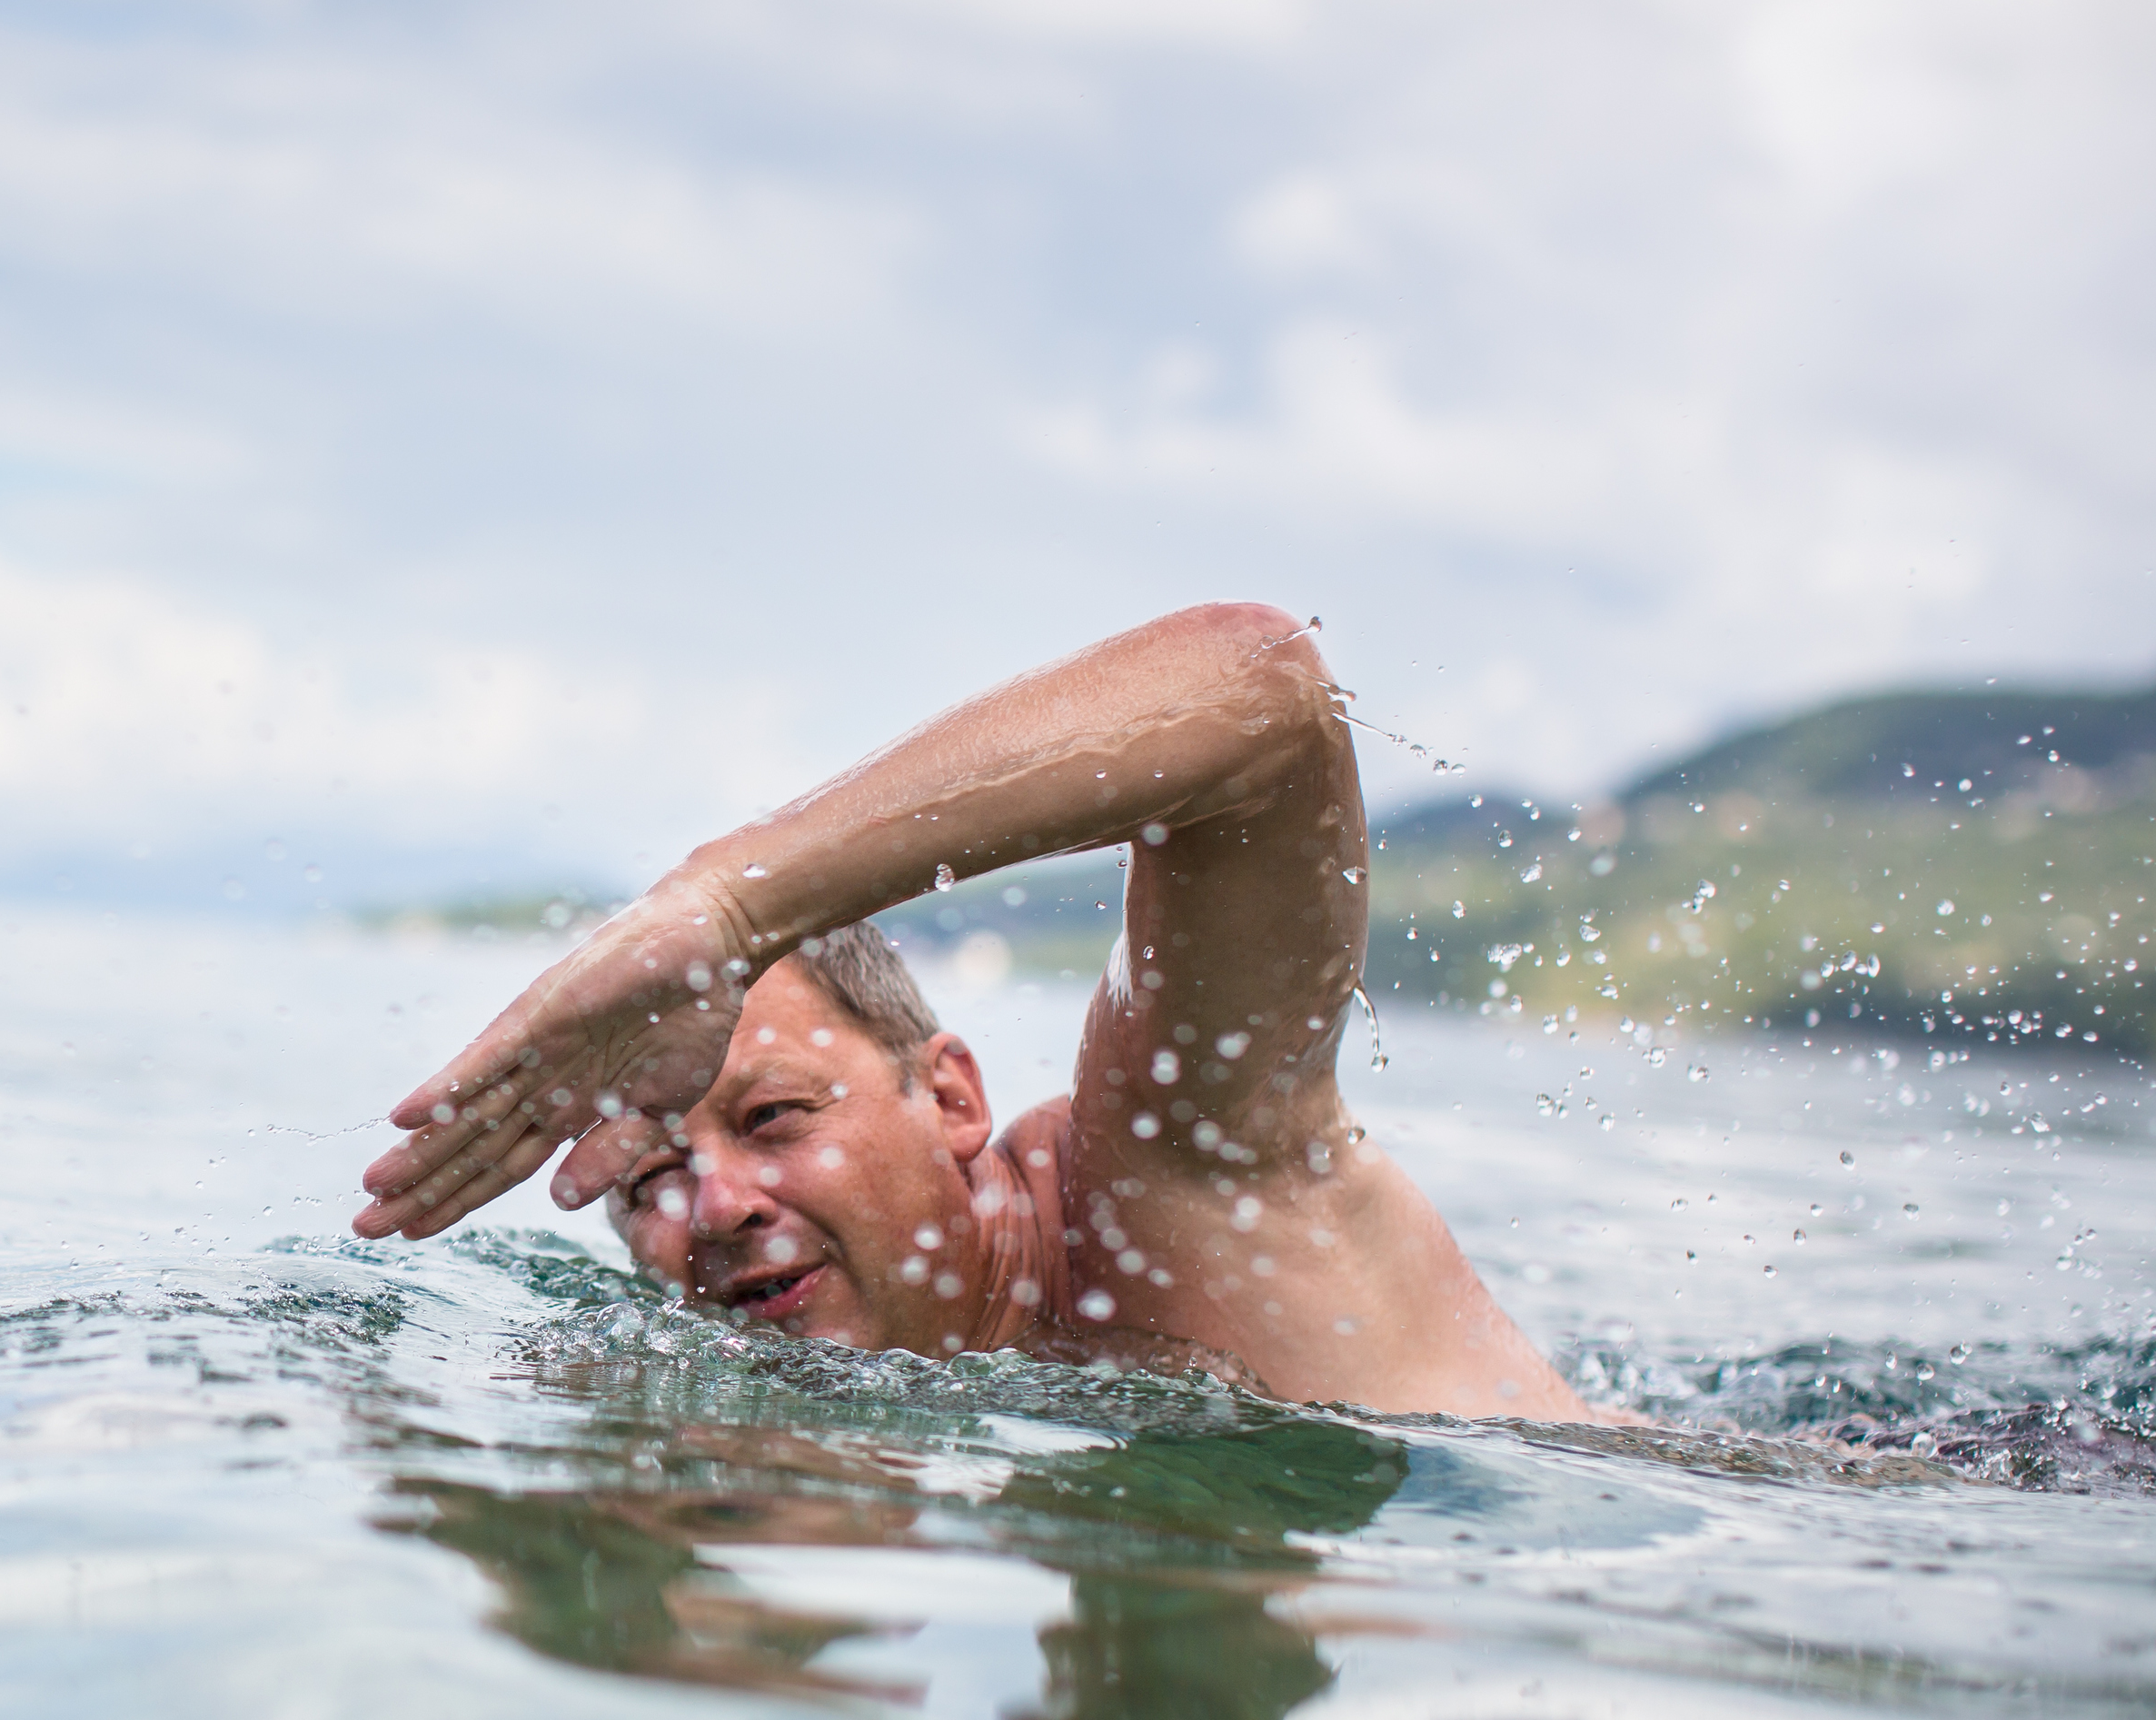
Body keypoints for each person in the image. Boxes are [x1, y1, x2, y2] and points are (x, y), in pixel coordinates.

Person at [352, 602, 1595, 1421]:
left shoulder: (1159, 1189)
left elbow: (1261, 700)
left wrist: (728, 904)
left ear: (949, 1096)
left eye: (775, 1116)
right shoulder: (766, 1397)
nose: (715, 1208)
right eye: (648, 1182)